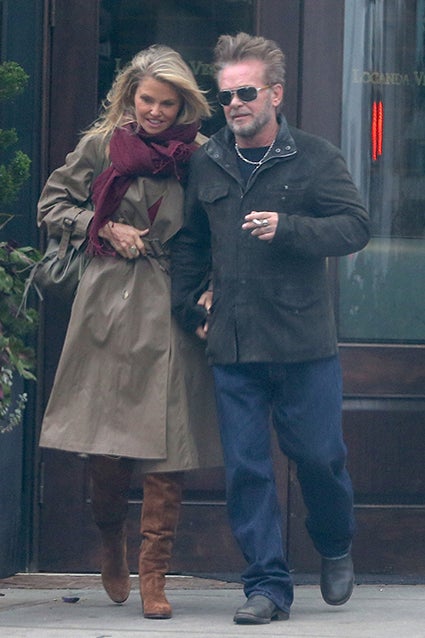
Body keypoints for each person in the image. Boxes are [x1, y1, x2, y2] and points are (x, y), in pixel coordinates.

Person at [171, 32, 370, 625]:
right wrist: (192, 305)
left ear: (275, 95)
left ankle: (334, 541)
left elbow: (354, 227)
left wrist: (289, 227)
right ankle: (266, 586)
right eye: (226, 95)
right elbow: (190, 243)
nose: (234, 104)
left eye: (247, 92)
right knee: (247, 469)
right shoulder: (207, 161)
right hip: (232, 341)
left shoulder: (315, 157)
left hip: (303, 342)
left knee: (319, 457)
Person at [37, 45, 221, 620]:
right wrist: (104, 225)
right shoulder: (102, 145)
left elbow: (219, 227)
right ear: (130, 96)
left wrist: (211, 288)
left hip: (173, 298)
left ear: (184, 104)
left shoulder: (204, 156)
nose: (156, 112)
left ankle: (154, 574)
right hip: (109, 299)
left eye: (168, 103)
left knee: (170, 447)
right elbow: (51, 205)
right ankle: (111, 538)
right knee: (107, 443)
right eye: (147, 100)